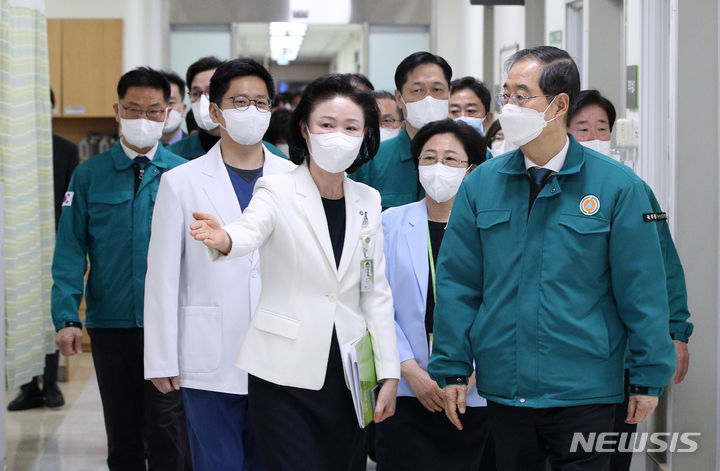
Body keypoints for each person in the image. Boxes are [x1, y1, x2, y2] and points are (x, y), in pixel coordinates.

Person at [428, 46, 676, 471]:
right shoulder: (481, 185)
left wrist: (648, 376)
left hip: (587, 390)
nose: (509, 106)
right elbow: (458, 283)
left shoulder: (617, 188)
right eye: (506, 95)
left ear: (559, 105)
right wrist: (451, 366)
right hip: (506, 387)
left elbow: (643, 289)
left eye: (522, 96)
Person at [190, 74, 400, 471]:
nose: (338, 135)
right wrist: (224, 238)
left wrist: (388, 372)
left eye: (350, 127)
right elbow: (249, 230)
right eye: (326, 124)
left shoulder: (367, 199)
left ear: (364, 135)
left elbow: (375, 291)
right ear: (305, 129)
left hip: (351, 373)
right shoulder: (277, 189)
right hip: (284, 370)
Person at [144, 58, 296, 471]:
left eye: (261, 103)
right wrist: (161, 358)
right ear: (215, 112)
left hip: (281, 353)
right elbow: (161, 278)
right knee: (217, 463)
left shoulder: (296, 180)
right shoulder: (181, 182)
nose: (251, 111)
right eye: (240, 101)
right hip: (208, 354)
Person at [51, 67, 191, 471]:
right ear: (117, 111)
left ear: (167, 114)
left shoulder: (183, 174)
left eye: (153, 111)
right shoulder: (89, 175)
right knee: (122, 433)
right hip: (111, 324)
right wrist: (66, 316)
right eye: (133, 109)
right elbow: (70, 250)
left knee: (169, 429)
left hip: (169, 324)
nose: (143, 119)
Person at [568, 89, 693, 471]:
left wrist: (677, 332)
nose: (593, 138)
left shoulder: (635, 190)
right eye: (582, 128)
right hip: (567, 358)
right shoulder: (544, 189)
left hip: (621, 358)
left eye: (602, 128)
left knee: (612, 455)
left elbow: (664, 265)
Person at [376, 119, 491, 470]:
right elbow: (376, 302)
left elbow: (500, 306)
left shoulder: (491, 227)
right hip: (407, 388)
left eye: (451, 159)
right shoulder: (389, 223)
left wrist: (470, 374)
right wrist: (410, 370)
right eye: (429, 158)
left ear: (472, 170)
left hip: (475, 390)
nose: (438, 167)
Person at [8, 88, 78, 411]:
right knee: (19, 312)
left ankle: (50, 384)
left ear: (52, 107)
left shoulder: (65, 149)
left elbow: (70, 199)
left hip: (52, 239)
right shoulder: (10, 148)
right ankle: (27, 386)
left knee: (49, 310)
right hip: (16, 243)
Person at [351, 51, 452, 209]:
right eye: (417, 90)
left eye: (437, 90)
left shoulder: (473, 154)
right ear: (399, 98)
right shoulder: (371, 159)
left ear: (449, 92)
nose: (428, 98)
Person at [168, 56, 224, 159]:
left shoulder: (258, 151)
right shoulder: (173, 155)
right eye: (196, 93)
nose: (203, 100)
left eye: (210, 91)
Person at [449, 76, 494, 160]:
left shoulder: (492, 163)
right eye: (454, 111)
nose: (462, 118)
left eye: (471, 111)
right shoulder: (430, 158)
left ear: (488, 118)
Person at [160, 71, 187, 146]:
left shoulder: (196, 148)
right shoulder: (140, 150)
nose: (165, 109)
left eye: (170, 103)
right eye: (157, 104)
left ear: (183, 109)